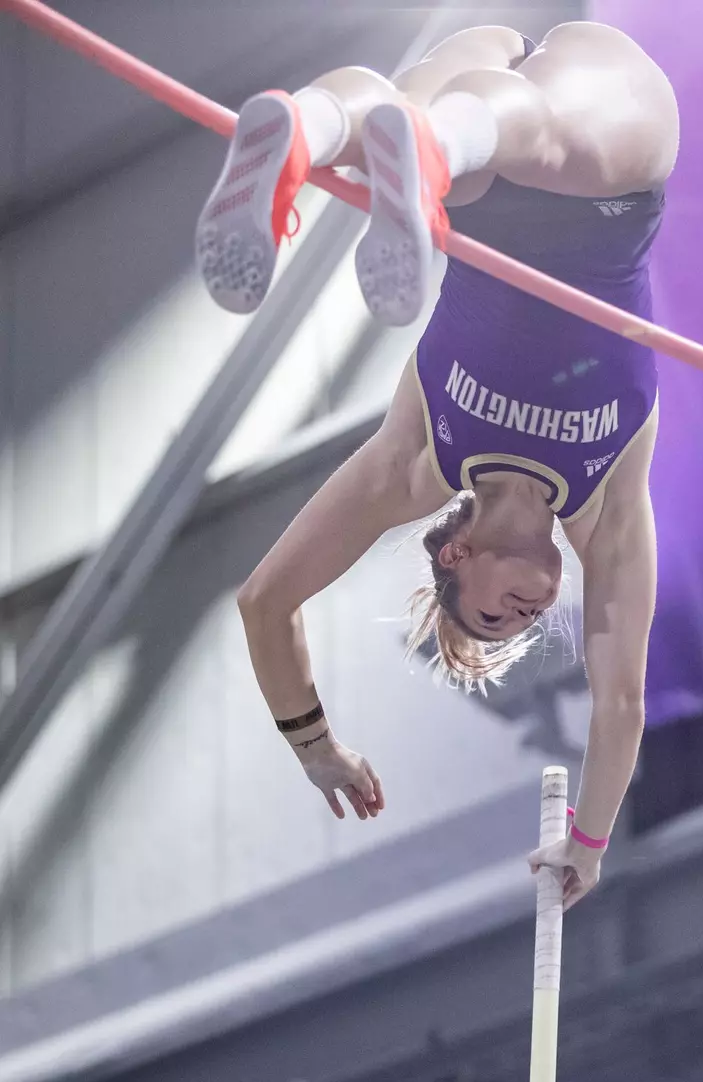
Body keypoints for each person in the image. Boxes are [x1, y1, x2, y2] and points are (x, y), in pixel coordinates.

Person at [220, 21, 678, 909]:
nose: (527, 615)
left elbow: (265, 602)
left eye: (495, 617)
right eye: (523, 625)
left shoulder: (419, 458)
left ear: (456, 557)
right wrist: (588, 842)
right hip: (594, 189)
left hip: (490, 195)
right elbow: (620, 702)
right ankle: (373, 140)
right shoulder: (609, 509)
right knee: (516, 134)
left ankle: (310, 129)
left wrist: (317, 749)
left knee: (457, 125)